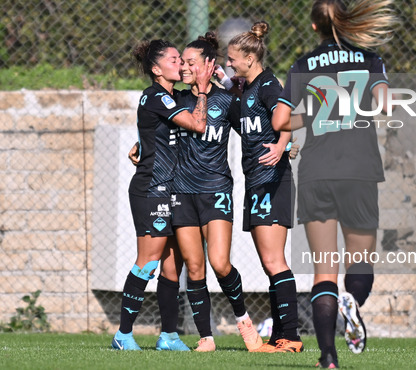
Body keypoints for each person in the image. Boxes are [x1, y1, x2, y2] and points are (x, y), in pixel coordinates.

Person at [272, 0, 398, 368]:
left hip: (317, 172)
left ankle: (327, 358)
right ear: (345, 21)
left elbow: (281, 121)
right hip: (359, 171)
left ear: (314, 26)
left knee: (323, 269)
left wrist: (315, 111)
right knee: (360, 261)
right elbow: (386, 105)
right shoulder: (370, 60)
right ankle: (353, 302)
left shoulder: (303, 64)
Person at [111, 39, 214, 351]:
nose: (179, 64)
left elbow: (152, 135)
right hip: (151, 189)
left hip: (171, 190)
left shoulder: (172, 96)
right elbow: (197, 123)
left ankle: (168, 335)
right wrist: (204, 91)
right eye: (173, 60)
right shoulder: (156, 96)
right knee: (148, 260)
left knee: (172, 266)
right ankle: (123, 334)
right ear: (156, 69)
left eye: (180, 59)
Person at [170, 33, 263, 352]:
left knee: (220, 263)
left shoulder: (226, 101)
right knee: (194, 268)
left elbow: (253, 130)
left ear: (209, 66)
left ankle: (245, 324)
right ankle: (206, 338)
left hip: (216, 190)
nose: (183, 66)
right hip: (182, 191)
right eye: (181, 61)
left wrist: (282, 144)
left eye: (190, 62)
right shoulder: (178, 99)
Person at [224, 21, 303, 353]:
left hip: (273, 181)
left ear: (249, 58)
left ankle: (293, 336)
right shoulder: (246, 90)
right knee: (269, 262)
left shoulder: (269, 84)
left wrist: (283, 144)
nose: (229, 64)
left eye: (232, 59)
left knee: (274, 261)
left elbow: (290, 117)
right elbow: (252, 129)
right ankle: (280, 335)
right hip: (257, 182)